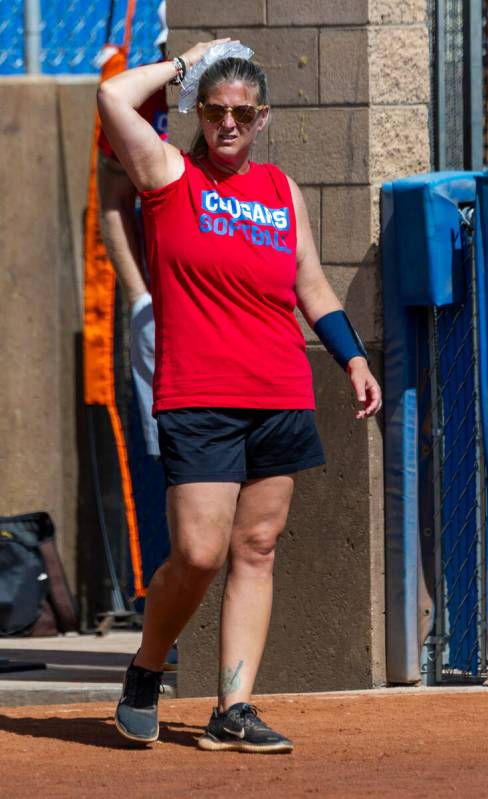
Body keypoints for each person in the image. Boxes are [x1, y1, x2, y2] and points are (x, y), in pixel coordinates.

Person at [97, 38, 382, 754]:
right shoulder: (168, 173)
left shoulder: (281, 191)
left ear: (262, 118)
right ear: (202, 110)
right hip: (198, 393)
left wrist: (351, 358)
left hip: (279, 387)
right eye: (217, 111)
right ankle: (146, 665)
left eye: (243, 114)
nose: (228, 124)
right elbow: (111, 99)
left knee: (256, 546)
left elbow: (309, 285)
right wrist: (183, 65)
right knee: (197, 551)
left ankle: (234, 705)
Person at [97, 1, 169, 457]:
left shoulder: (232, 107)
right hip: (163, 312)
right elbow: (113, 201)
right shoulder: (142, 99)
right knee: (179, 468)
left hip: (229, 314)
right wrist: (139, 298)